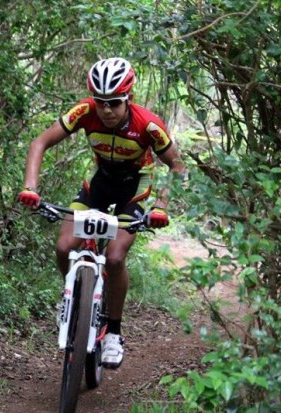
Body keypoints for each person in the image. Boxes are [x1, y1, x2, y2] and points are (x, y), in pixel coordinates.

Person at [17, 57, 186, 368]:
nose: (106, 110)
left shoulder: (148, 125)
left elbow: (176, 166)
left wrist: (161, 207)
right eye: (100, 101)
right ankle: (72, 297)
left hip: (134, 186)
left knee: (115, 257)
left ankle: (114, 334)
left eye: (114, 102)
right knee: (64, 247)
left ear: (128, 98)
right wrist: (30, 188)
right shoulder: (85, 111)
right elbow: (39, 143)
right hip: (100, 181)